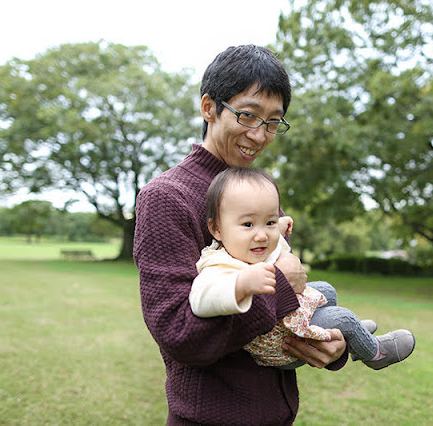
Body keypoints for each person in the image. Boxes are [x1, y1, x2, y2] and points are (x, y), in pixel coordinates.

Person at [134, 44, 348, 425]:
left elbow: (285, 311)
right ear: (209, 108)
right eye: (248, 115)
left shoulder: (259, 195)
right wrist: (281, 286)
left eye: (272, 122)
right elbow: (179, 333)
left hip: (277, 414)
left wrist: (327, 343)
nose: (260, 134)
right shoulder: (166, 198)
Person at [189, 167, 415, 370]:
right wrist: (241, 284)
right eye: (248, 224)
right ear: (216, 229)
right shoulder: (218, 263)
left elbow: (274, 247)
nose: (261, 235)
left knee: (327, 289)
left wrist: (278, 227)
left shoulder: (248, 246)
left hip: (288, 321)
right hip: (278, 344)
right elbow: (200, 299)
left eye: (268, 221)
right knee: (344, 318)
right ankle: (375, 352)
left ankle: (353, 334)